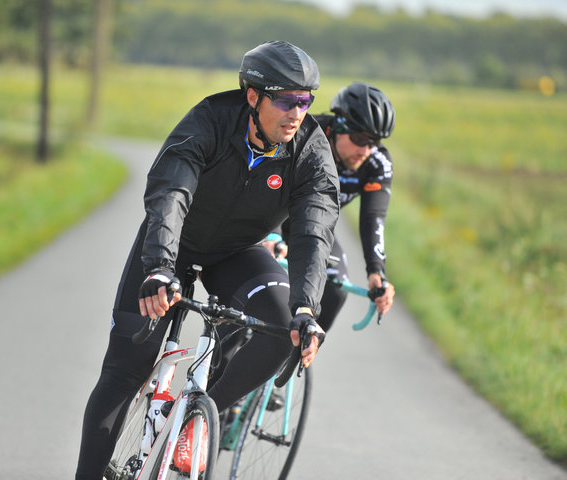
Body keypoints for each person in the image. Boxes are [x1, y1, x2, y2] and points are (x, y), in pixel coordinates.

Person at [75, 40, 340, 480]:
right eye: (286, 100)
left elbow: (314, 231)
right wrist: (159, 264)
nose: (298, 112)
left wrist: (306, 308)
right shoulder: (210, 120)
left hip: (236, 253)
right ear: (253, 96)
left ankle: (200, 420)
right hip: (172, 245)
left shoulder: (310, 151)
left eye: (306, 101)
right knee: (125, 370)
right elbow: (171, 194)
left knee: (279, 327)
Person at [264, 81, 396, 332]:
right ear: (337, 128)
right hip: (271, 219)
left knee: (335, 292)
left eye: (374, 141)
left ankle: (295, 354)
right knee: (265, 289)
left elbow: (373, 218)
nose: (366, 150)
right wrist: (273, 236)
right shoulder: (303, 135)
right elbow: (272, 189)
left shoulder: (376, 163)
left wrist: (376, 272)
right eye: (359, 139)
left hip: (314, 227)